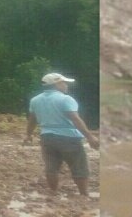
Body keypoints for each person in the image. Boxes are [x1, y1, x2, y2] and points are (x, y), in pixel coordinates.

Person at [26, 72, 98, 200]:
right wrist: (90, 137)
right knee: (79, 165)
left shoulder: (35, 100)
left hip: (46, 137)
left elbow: (32, 120)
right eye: (64, 83)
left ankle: (53, 193)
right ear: (57, 84)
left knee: (51, 167)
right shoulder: (65, 99)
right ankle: (84, 195)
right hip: (68, 137)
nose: (66, 85)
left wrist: (28, 135)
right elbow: (75, 119)